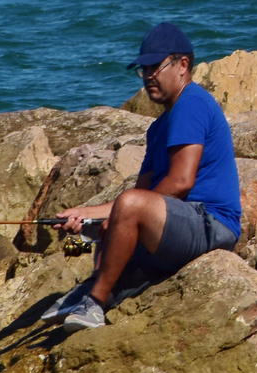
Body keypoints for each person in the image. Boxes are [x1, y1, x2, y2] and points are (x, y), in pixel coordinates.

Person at [42, 23, 241, 331]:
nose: (148, 76)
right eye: (143, 69)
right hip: (177, 223)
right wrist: (85, 215)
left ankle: (94, 302)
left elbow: (180, 181)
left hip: (211, 225)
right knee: (110, 221)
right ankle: (93, 289)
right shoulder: (158, 128)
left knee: (128, 208)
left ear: (183, 65)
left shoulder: (192, 102)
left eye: (155, 67)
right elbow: (140, 194)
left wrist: (122, 213)